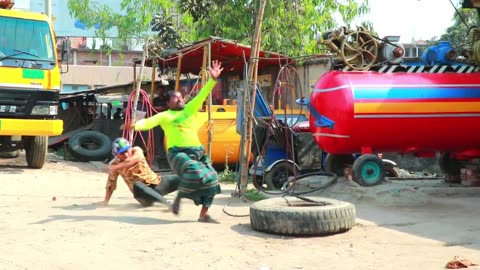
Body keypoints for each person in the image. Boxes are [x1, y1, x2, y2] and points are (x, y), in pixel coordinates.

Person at [133, 60, 223, 223]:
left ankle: (203, 214)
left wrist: (213, 79)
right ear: (168, 103)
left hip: (198, 152)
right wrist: (134, 125)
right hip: (178, 154)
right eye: (176, 98)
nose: (181, 100)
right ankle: (178, 199)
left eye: (181, 98)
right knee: (195, 173)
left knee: (213, 179)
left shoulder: (189, 109)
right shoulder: (165, 116)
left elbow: (203, 94)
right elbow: (148, 123)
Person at [99, 137, 181, 207]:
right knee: (137, 184)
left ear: (130, 148)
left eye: (127, 150)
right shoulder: (114, 164)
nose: (126, 154)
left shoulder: (137, 150)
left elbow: (133, 160)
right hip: (142, 195)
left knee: (184, 177)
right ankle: (168, 204)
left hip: (156, 184)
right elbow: (111, 185)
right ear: (116, 155)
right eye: (122, 153)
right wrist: (106, 201)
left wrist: (116, 167)